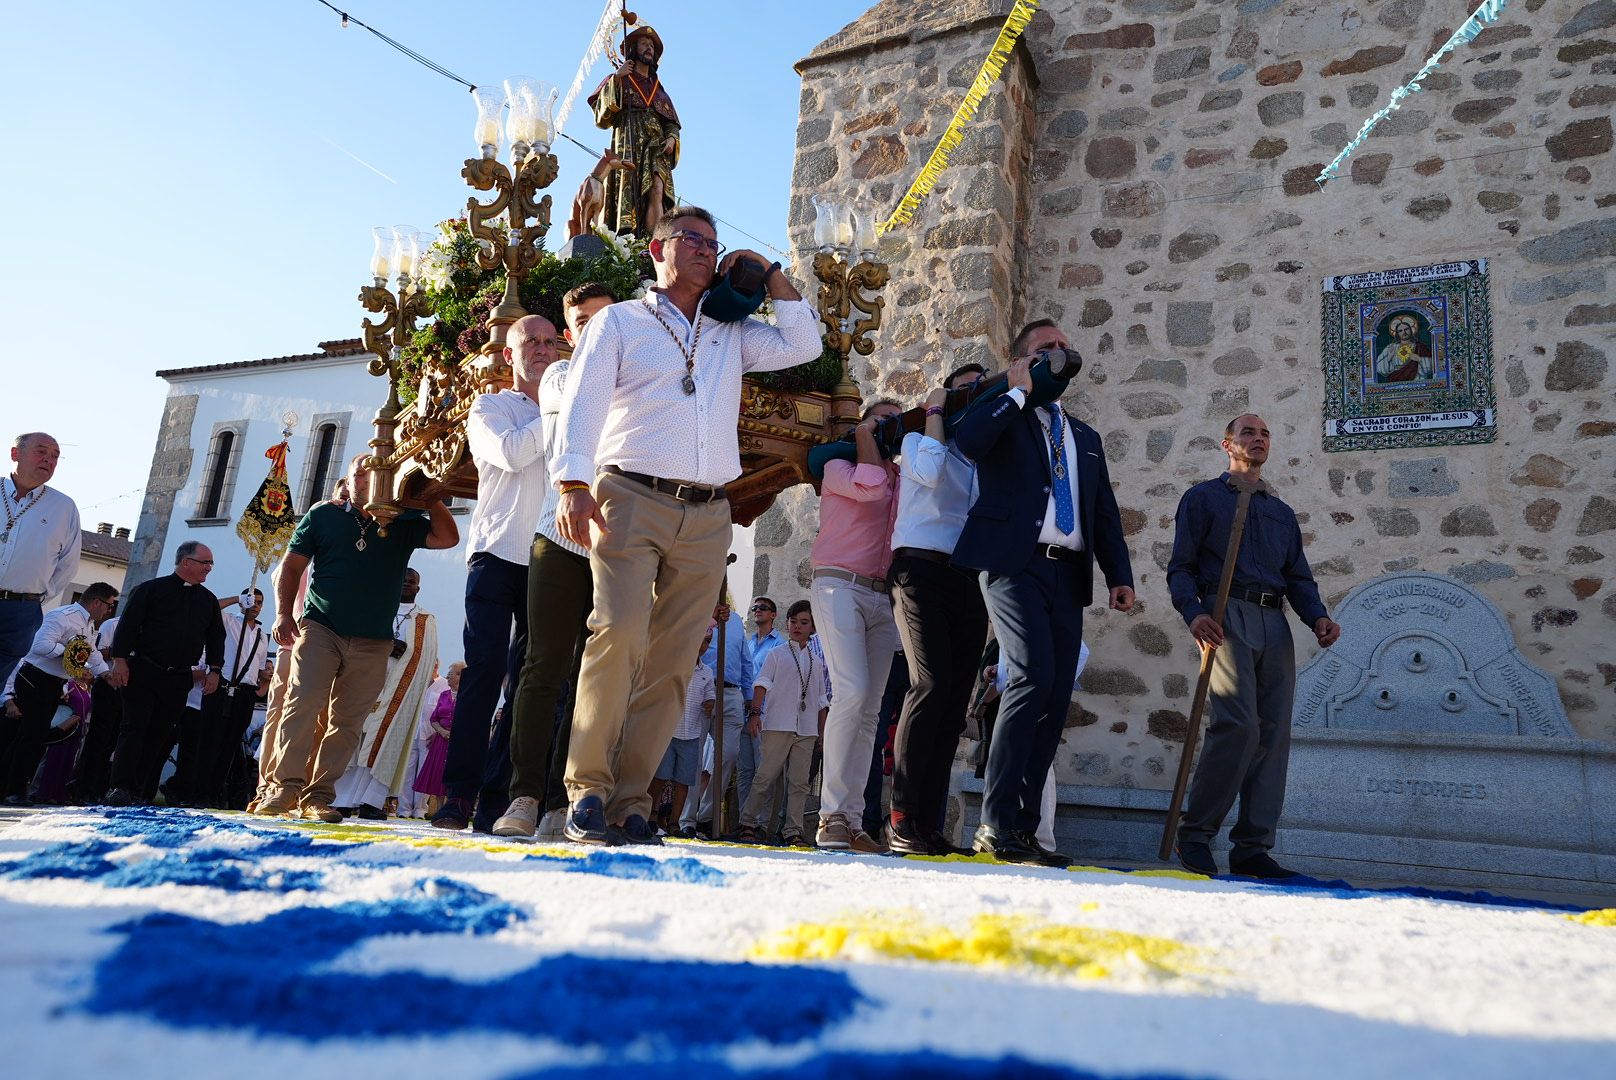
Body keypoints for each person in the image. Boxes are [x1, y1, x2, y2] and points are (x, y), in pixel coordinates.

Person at [552, 206, 820, 845]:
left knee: (674, 660)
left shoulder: (732, 332)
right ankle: (586, 790)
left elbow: (804, 342)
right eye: (691, 241)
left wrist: (769, 274)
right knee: (617, 631)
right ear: (656, 249)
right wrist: (571, 483)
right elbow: (583, 400)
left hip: (707, 513)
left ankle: (631, 803)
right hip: (630, 496)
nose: (704, 250)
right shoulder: (619, 320)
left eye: (713, 244)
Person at [952, 320, 1135, 865]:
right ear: (1020, 361)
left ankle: (1024, 831)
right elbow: (970, 440)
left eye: (1062, 347)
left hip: (1067, 573)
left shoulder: (1085, 437)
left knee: (1053, 698)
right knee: (1029, 676)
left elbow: (1103, 513)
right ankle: (996, 823)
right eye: (1043, 349)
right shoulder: (1005, 413)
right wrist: (1016, 391)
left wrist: (1118, 574)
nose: (1058, 355)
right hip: (1013, 566)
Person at [1167, 413, 1342, 879]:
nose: (1259, 439)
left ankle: (1252, 848)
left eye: (1265, 433)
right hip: (1225, 617)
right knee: (1238, 725)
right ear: (1227, 444)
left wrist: (1318, 617)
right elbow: (1180, 566)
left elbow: (1297, 577)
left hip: (1274, 622)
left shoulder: (1280, 512)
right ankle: (1196, 834)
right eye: (1249, 432)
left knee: (1273, 734)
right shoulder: (1203, 499)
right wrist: (1194, 612)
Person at [257, 454, 458, 822]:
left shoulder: (403, 520)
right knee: (301, 707)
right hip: (320, 627)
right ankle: (283, 789)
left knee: (347, 722)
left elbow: (447, 537)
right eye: (360, 475)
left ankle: (317, 796)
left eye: (379, 474)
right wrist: (284, 614)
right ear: (347, 482)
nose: (369, 480)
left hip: (373, 639)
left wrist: (428, 496)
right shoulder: (324, 515)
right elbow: (292, 565)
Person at [493, 283, 617, 840]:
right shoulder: (561, 376)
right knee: (543, 666)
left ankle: (572, 799)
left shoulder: (636, 367)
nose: (594, 328)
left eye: (604, 318)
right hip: (560, 537)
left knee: (595, 675)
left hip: (620, 541)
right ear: (569, 336)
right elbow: (581, 407)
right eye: (583, 322)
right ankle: (524, 795)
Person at [434, 315, 561, 832]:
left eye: (552, 342)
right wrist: (557, 407)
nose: (542, 349)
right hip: (495, 552)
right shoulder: (490, 407)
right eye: (530, 341)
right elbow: (511, 454)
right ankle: (458, 795)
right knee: (483, 674)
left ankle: (499, 800)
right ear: (508, 355)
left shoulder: (574, 412)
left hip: (551, 557)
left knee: (529, 684)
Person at [887, 363, 992, 855]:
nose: (972, 394)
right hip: (919, 571)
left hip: (968, 577)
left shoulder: (978, 455)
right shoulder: (917, 444)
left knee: (954, 702)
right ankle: (902, 816)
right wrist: (932, 410)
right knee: (928, 684)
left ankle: (928, 823)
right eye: (963, 388)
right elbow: (927, 473)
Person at [811, 400, 903, 854]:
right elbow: (869, 487)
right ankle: (829, 816)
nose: (890, 425)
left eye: (895, 419)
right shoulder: (837, 468)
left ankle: (852, 817)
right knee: (850, 692)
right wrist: (866, 437)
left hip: (880, 595)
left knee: (871, 710)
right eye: (880, 418)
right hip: (838, 585)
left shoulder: (900, 477)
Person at [103, 543, 226, 805]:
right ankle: (119, 787)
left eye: (211, 563)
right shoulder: (150, 590)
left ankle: (140, 790)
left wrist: (215, 670)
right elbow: (128, 626)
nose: (209, 568)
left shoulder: (208, 601)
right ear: (185, 562)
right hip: (144, 671)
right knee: (134, 729)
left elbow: (216, 638)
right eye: (205, 562)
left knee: (160, 734)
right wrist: (120, 661)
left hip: (179, 678)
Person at [334, 568, 439, 819]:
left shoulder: (425, 619)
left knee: (384, 743)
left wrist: (406, 652)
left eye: (412, 582)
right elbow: (358, 642)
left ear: (418, 588)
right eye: (402, 580)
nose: (406, 584)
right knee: (354, 740)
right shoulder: (377, 608)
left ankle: (371, 802)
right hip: (367, 682)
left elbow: (426, 658)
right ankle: (342, 800)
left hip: (399, 693)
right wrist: (384, 646)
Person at [0, 582, 117, 803]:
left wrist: (105, 674)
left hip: (54, 682)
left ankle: (14, 787)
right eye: (109, 605)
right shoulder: (63, 616)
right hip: (36, 678)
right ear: (96, 602)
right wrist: (71, 655)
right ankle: (13, 790)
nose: (109, 610)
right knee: (29, 736)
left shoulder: (89, 624)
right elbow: (39, 645)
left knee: (36, 737)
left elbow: (90, 653)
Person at [739, 600, 828, 846]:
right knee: (765, 777)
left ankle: (792, 830)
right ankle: (748, 823)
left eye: (804, 622)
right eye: (793, 621)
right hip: (778, 724)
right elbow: (761, 684)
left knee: (799, 783)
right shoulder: (776, 654)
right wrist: (755, 714)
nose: (797, 626)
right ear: (786, 624)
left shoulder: (816, 662)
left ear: (812, 628)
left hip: (807, 728)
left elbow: (822, 702)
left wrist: (821, 733)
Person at [171, 589, 270, 808]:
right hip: (222, 687)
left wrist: (266, 676)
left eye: (259, 603)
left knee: (230, 745)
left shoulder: (262, 635)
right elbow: (212, 605)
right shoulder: (228, 621)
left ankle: (215, 794)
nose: (255, 606)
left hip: (245, 693)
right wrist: (236, 598)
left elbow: (260, 667)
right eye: (252, 601)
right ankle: (197, 794)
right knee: (208, 743)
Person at [0, 433, 81, 689]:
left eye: (55, 456)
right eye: (41, 451)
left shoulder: (64, 508)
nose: (49, 459)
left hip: (20, 612)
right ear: (16, 454)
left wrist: (33, 597)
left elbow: (67, 566)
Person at [588, 23, 679, 238]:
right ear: (633, 50)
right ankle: (633, 238)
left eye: (652, 46)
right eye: (644, 44)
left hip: (656, 145)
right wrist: (618, 78)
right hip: (629, 143)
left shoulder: (660, 91)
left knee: (658, 189)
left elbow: (671, 123)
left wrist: (672, 138)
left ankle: (656, 240)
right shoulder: (619, 79)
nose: (649, 48)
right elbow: (601, 116)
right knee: (631, 190)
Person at [688, 594, 754, 833]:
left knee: (728, 754)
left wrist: (748, 698)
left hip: (732, 692)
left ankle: (706, 816)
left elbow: (746, 660)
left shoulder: (736, 621)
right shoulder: (696, 614)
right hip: (703, 687)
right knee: (693, 754)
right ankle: (685, 820)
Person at [649, 624, 715, 835]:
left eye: (707, 642)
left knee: (683, 780)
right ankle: (650, 814)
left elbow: (710, 694)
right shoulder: (674, 664)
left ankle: (674, 822)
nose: (702, 645)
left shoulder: (707, 671)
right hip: (669, 730)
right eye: (699, 639)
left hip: (692, 733)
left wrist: (710, 703)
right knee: (660, 776)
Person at [413, 663, 459, 816]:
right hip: (441, 740)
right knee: (439, 773)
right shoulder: (444, 695)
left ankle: (451, 808)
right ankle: (438, 809)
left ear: (460, 675)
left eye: (451, 674)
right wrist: (442, 731)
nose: (448, 676)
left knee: (452, 773)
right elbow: (434, 718)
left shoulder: (468, 695)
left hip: (458, 742)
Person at [1374, 314, 1433, 383]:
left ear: (1411, 330)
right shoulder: (1391, 347)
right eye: (1400, 331)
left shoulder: (1420, 347)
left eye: (1406, 329)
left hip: (1417, 382)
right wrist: (1389, 357)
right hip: (1394, 384)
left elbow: (1433, 366)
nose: (1404, 332)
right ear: (1397, 333)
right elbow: (1379, 368)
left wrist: (1419, 359)